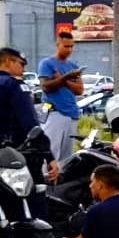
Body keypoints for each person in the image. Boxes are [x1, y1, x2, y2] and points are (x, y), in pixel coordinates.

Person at [37, 32, 83, 161]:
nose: (69, 50)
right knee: (51, 155)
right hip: (55, 113)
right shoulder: (47, 64)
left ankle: (62, 181)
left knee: (67, 158)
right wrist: (67, 78)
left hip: (72, 114)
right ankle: (47, 180)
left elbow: (79, 90)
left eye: (71, 46)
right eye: (66, 46)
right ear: (58, 45)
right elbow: (46, 87)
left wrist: (64, 79)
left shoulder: (73, 66)